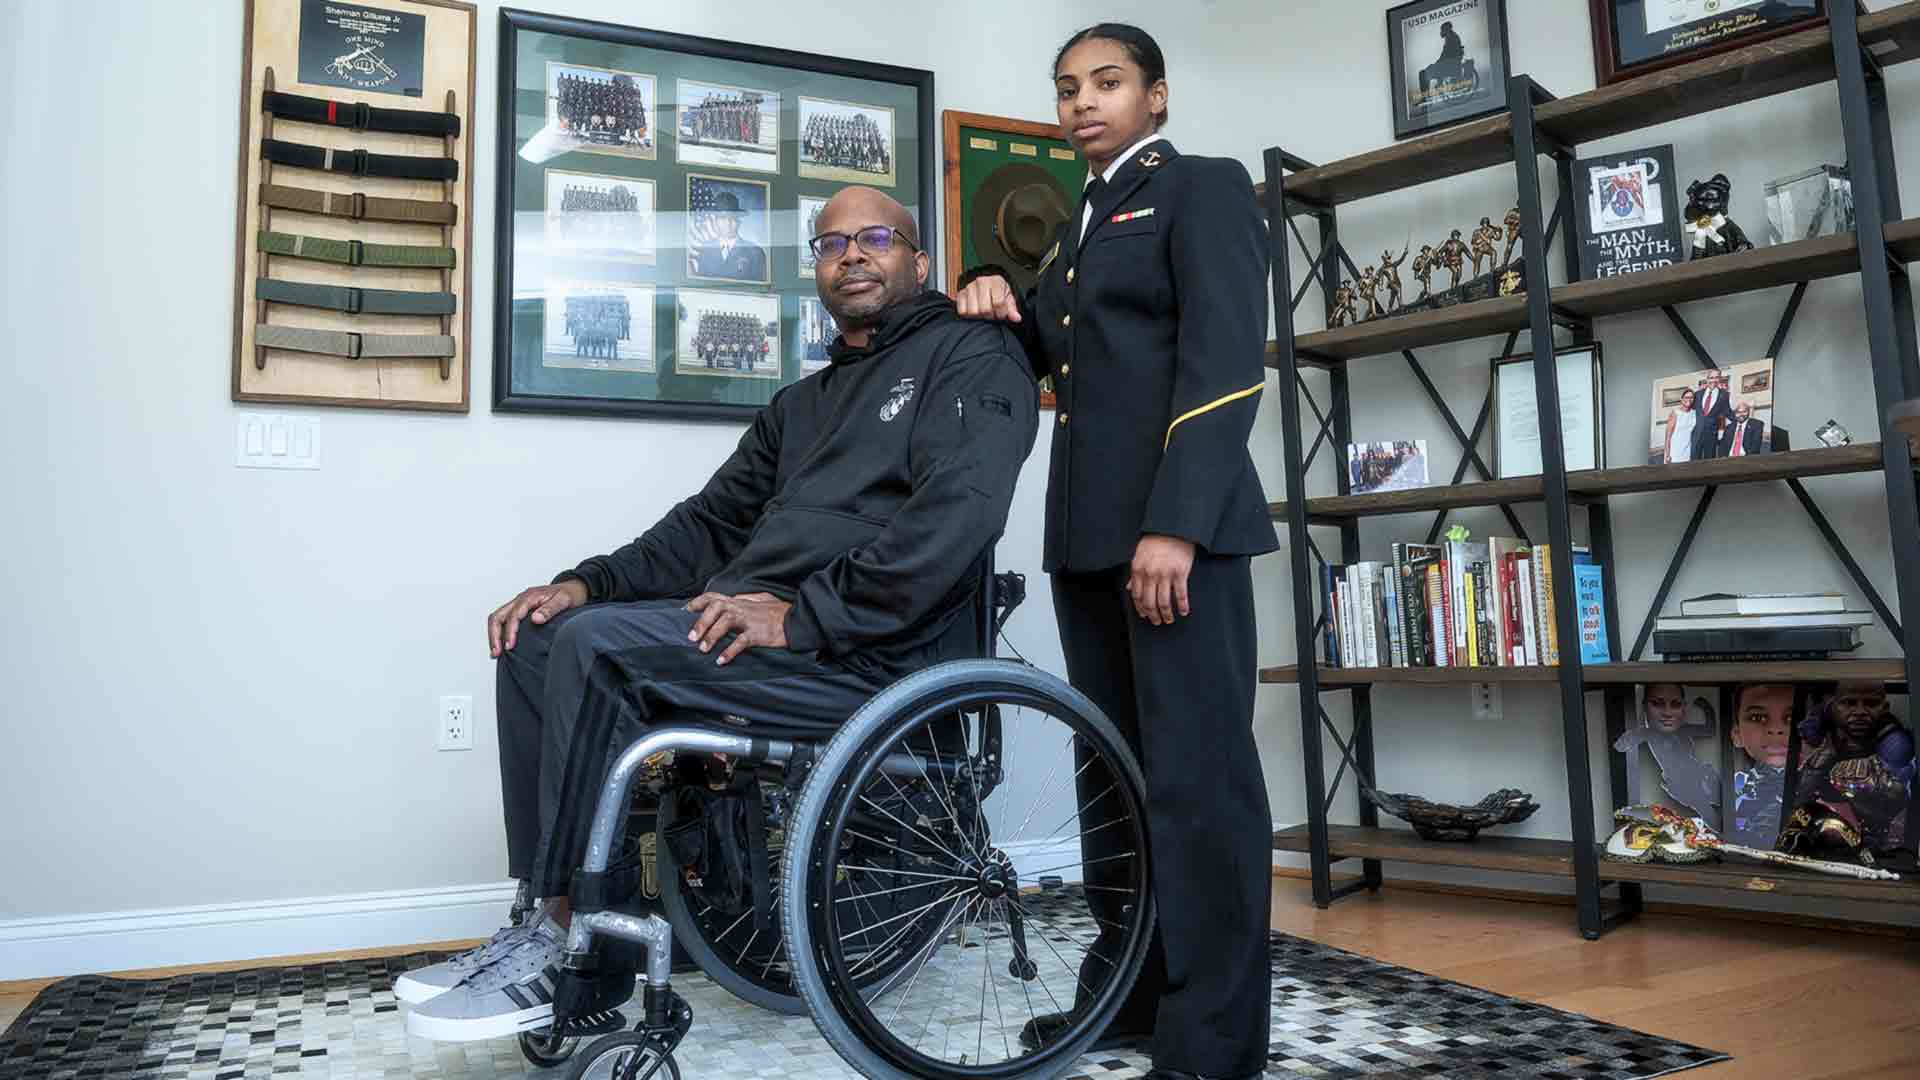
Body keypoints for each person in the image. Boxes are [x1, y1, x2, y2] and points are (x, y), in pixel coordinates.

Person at [398, 186, 1039, 1041]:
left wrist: (803, 616)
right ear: (814, 267)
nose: (851, 253)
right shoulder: (799, 408)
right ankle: (549, 920)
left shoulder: (972, 355)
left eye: (875, 237)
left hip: (869, 655)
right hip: (764, 639)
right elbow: (705, 527)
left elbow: (956, 519)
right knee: (541, 639)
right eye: (830, 242)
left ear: (919, 261)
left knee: (596, 653)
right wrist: (586, 582)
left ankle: (584, 956)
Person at [955, 22, 1275, 1080]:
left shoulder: (1205, 190)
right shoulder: (1077, 229)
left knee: (1198, 783)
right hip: (1091, 542)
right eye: (1066, 89)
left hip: (1176, 538)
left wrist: (1174, 525)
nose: (1083, 102)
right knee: (1117, 782)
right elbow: (1055, 351)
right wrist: (992, 290)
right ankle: (1133, 996)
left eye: (1107, 82)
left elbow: (1226, 363)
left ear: (1158, 96)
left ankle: (1216, 1039)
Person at [1728, 683, 1793, 848]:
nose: (1776, 729)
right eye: (1757, 717)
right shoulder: (1729, 791)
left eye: (1791, 718)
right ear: (1736, 734)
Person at [690, 191, 767, 282]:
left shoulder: (755, 252)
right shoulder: (705, 249)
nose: (728, 223)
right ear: (716, 221)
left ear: (738, 222)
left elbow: (761, 290)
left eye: (732, 218)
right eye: (722, 218)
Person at [1691, 368, 1732, 460]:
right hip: (1696, 434)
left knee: (1709, 462)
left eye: (1716, 377)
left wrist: (1740, 420)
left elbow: (1728, 412)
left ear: (1720, 379)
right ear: (1707, 379)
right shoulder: (1697, 394)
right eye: (1711, 378)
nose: (1713, 380)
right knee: (1693, 461)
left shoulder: (1724, 395)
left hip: (1711, 435)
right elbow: (1690, 411)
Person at [1663, 386, 1698, 464]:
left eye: (1691, 397)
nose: (1689, 399)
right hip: (1675, 452)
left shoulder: (1694, 413)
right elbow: (1668, 437)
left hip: (1688, 451)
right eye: (1686, 397)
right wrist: (1667, 455)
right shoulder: (1675, 413)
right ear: (1682, 399)